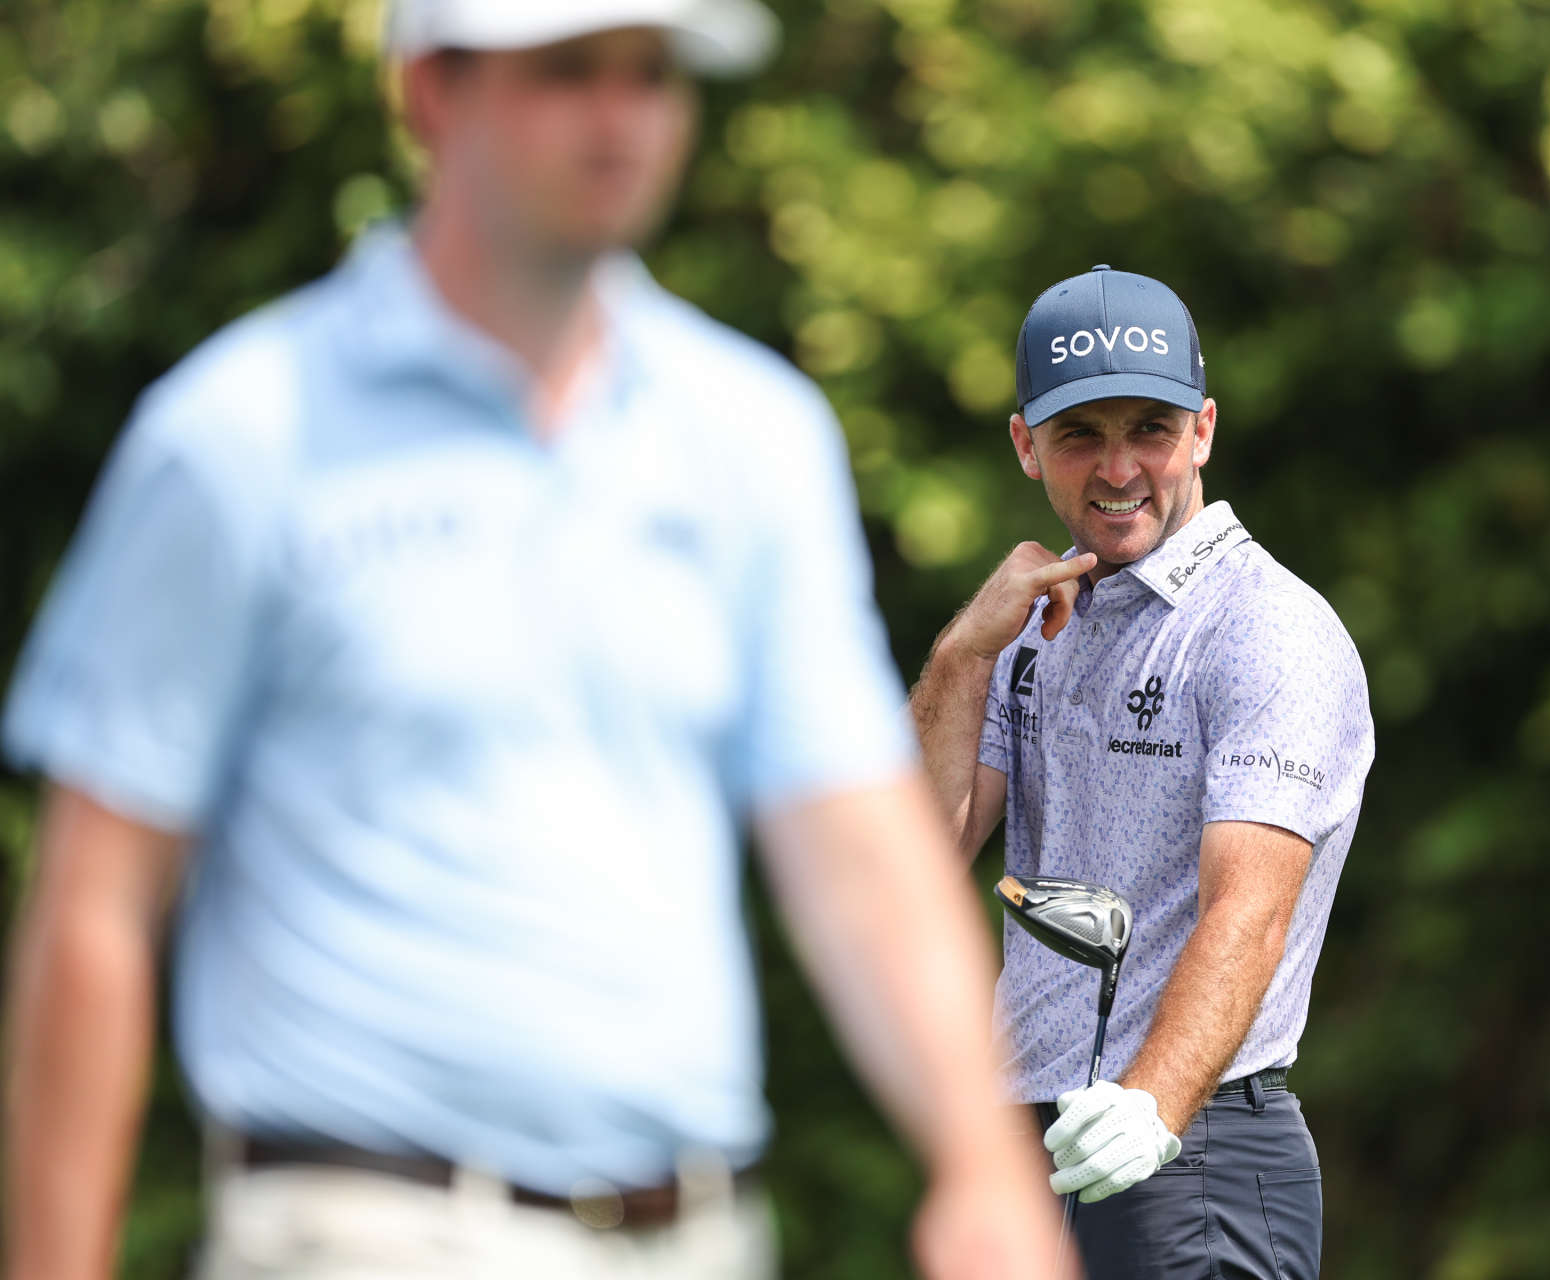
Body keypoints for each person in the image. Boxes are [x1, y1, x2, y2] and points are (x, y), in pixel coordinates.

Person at [0, 3, 1063, 1278]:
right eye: (567, 72)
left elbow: (860, 853)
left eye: (652, 75)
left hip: (699, 1234)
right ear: (431, 93)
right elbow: (96, 905)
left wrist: (982, 1170)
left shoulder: (752, 437)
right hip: (358, 1228)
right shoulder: (239, 436)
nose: (623, 119)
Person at [908, 265, 1376, 1278]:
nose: (1119, 466)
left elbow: (1246, 909)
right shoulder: (1032, 621)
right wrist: (961, 657)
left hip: (1191, 1145)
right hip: (1032, 1149)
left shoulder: (1269, 627)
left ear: (1202, 430)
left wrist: (1150, 1107)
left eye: (1150, 428)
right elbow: (914, 864)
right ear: (1028, 445)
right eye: (1082, 433)